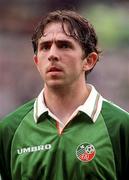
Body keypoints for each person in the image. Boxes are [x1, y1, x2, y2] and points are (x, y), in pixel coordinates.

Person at [0, 9, 129, 180]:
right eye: (45, 47)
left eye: (64, 45)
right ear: (37, 61)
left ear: (89, 61)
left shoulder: (120, 125)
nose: (53, 54)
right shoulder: (10, 128)